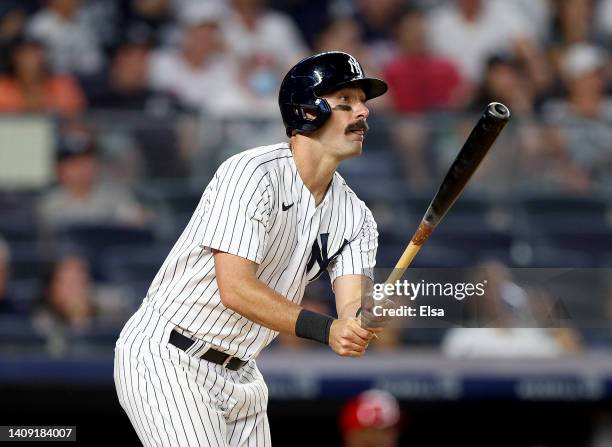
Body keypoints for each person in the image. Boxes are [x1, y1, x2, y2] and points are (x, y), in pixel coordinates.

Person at [114, 51, 387, 446]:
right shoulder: (251, 173)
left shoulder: (356, 217)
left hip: (243, 373)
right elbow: (235, 288)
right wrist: (328, 329)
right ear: (306, 110)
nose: (362, 112)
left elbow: (350, 309)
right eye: (345, 101)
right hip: (170, 354)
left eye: (363, 102)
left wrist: (358, 322)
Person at [37, 130, 149, 233]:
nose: (83, 169)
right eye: (75, 164)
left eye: (88, 162)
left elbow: (136, 219)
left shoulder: (116, 196)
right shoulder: (50, 203)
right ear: (60, 170)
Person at [0, 35, 85, 117]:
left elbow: (77, 119)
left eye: (34, 53)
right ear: (12, 58)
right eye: (23, 54)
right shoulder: (2, 87)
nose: (29, 59)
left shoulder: (63, 85)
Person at [26, 0, 104, 76]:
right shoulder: (39, 25)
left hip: (87, 78)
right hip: (53, 78)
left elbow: (94, 59)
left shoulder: (86, 18)